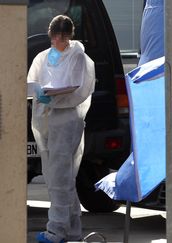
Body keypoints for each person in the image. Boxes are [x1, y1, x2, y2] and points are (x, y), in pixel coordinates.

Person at [27, 15, 95, 243]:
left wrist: (53, 99)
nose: (60, 42)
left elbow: (79, 90)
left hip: (67, 121)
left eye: (64, 38)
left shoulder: (79, 57)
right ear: (51, 36)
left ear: (70, 36)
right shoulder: (43, 57)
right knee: (61, 178)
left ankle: (56, 231)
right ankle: (73, 230)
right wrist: (41, 95)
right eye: (56, 37)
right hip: (46, 120)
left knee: (59, 177)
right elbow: (31, 83)